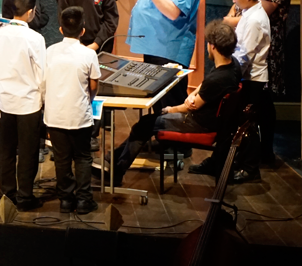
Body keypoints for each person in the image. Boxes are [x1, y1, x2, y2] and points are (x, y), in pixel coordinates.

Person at [93, 20, 242, 185]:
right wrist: (193, 94)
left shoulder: (217, 79)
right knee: (146, 123)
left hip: (199, 123)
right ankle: (113, 159)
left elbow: (190, 106)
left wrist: (171, 109)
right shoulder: (232, 65)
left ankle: (116, 172)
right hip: (208, 119)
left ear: (212, 46)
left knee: (145, 125)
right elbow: (203, 87)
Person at [0, 0, 46, 212]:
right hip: (29, 102)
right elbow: (42, 74)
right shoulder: (35, 38)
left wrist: (7, 79)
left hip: (6, 100)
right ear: (30, 13)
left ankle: (7, 192)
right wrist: (42, 95)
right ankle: (25, 196)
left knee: (7, 149)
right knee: (28, 151)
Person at [58, 0, 118, 152]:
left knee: (95, 92)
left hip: (96, 48)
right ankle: (68, 133)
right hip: (73, 46)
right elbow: (63, 14)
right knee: (72, 87)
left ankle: (92, 133)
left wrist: (96, 44)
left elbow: (111, 20)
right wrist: (75, 43)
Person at [44, 6, 101, 215]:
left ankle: (66, 201)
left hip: (55, 115)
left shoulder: (50, 52)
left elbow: (44, 82)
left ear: (60, 29)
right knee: (83, 157)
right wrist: (88, 99)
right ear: (83, 30)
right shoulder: (89, 54)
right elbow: (93, 85)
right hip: (79, 115)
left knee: (61, 158)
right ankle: (84, 200)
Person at [227, 0, 272, 183]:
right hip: (247, 77)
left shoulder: (255, 20)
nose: (234, 1)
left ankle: (250, 169)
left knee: (248, 125)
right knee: (242, 122)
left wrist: (230, 74)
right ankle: (240, 162)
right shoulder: (249, 13)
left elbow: (245, 54)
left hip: (253, 79)